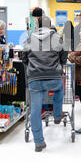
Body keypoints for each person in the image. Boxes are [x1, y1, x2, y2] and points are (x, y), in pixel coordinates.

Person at [22, 15, 68, 152]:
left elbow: (24, 58)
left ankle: (38, 142)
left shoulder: (29, 39)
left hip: (35, 79)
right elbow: (64, 55)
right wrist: (60, 64)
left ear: (37, 25)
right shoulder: (57, 38)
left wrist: (32, 67)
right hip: (53, 76)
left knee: (35, 110)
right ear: (49, 25)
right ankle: (58, 115)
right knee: (60, 91)